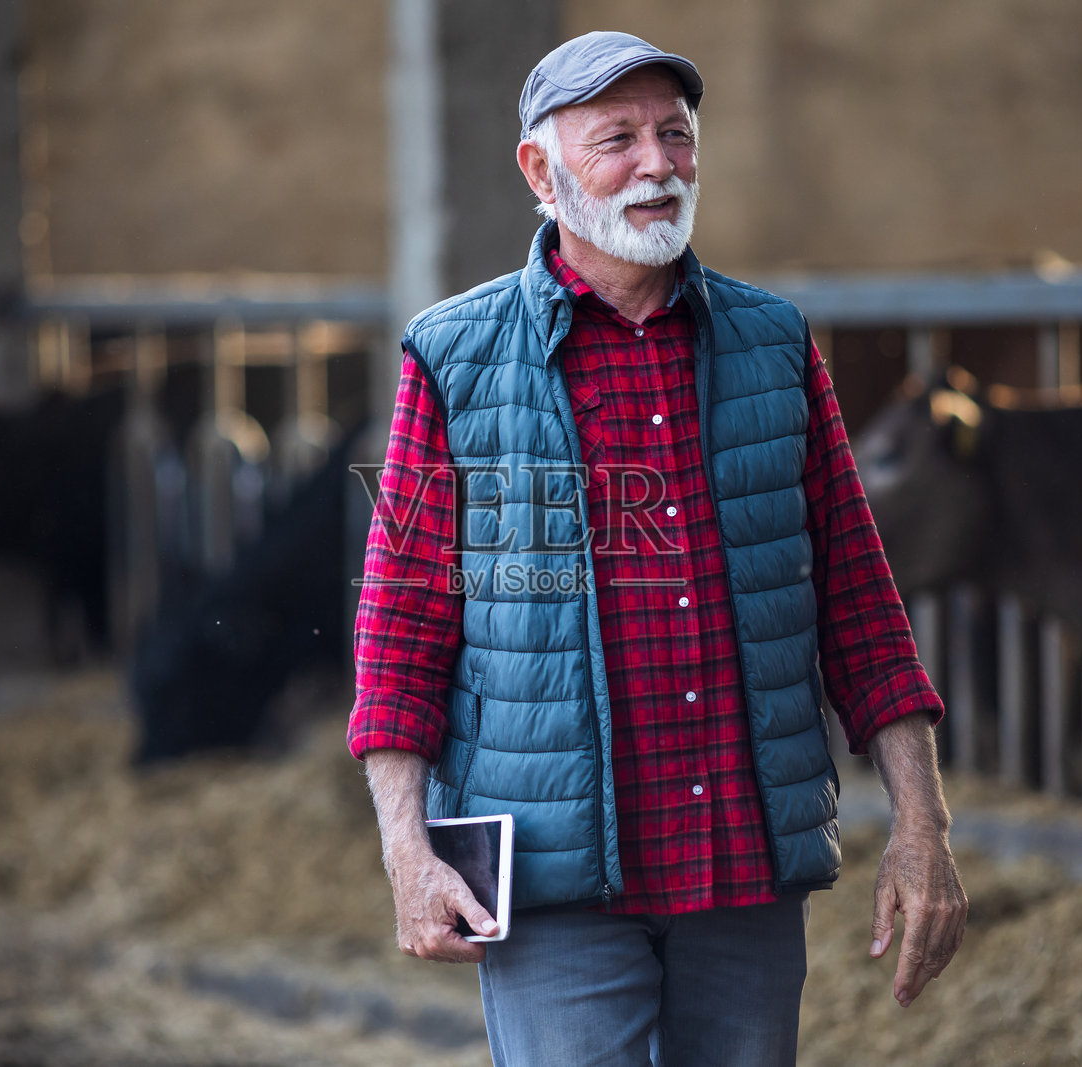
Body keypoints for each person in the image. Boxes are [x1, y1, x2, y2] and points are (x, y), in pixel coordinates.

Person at [348, 30, 967, 1066]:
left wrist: (923, 824)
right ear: (540, 172)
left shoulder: (774, 346)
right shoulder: (452, 356)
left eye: (675, 135)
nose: (657, 164)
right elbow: (404, 618)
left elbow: (858, 598)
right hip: (551, 880)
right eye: (617, 139)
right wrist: (406, 850)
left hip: (740, 864)